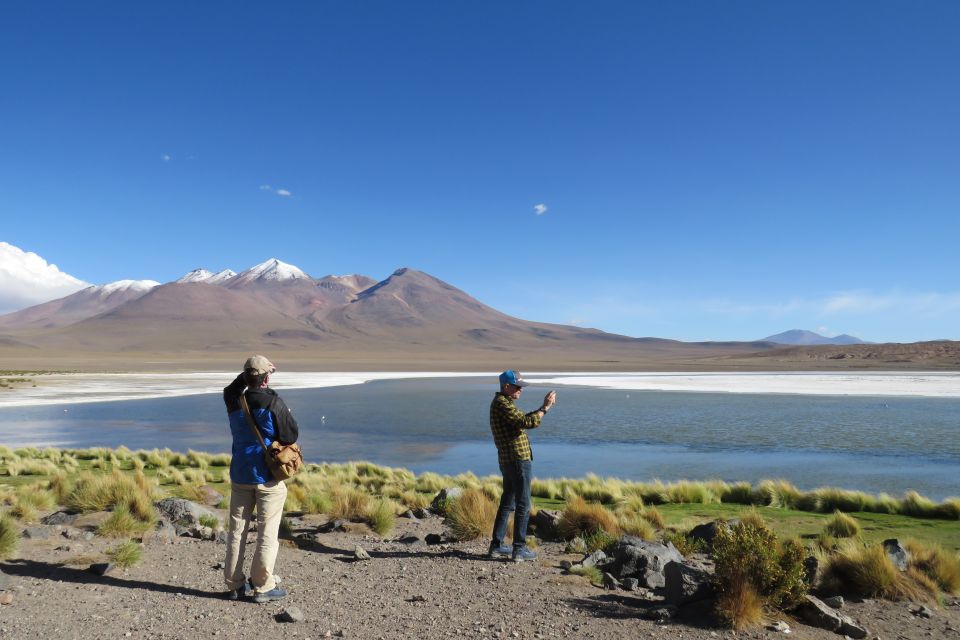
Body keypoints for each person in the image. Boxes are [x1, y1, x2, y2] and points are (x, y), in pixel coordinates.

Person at [222, 355, 299, 602]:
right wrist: (265, 380)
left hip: (240, 473)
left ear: (245, 377)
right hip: (267, 478)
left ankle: (234, 585)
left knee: (237, 531)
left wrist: (249, 374)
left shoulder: (234, 399)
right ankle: (263, 586)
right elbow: (290, 434)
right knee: (267, 533)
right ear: (266, 378)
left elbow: (231, 388)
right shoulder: (273, 402)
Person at [488, 370, 556, 562]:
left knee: (508, 502)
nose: (521, 390)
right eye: (518, 387)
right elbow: (526, 422)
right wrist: (545, 408)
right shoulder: (502, 404)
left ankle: (497, 545)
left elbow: (521, 420)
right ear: (506, 386)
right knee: (523, 504)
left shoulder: (503, 404)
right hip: (517, 460)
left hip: (509, 460)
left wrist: (541, 409)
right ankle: (519, 548)